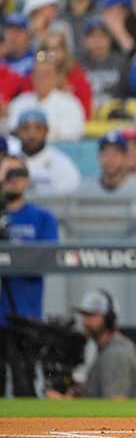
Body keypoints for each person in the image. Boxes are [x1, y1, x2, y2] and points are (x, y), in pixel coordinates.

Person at [0, 155, 59, 397]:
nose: (13, 181)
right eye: (7, 175)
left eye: (19, 174)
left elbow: (50, 258)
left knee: (26, 384)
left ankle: (31, 433)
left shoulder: (42, 218)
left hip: (25, 315)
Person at [65, 289, 136, 398]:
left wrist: (67, 405)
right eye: (84, 315)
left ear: (109, 318)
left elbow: (116, 405)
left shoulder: (116, 354)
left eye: (91, 315)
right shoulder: (107, 349)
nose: (85, 321)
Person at [7, 50, 85, 142]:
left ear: (56, 77)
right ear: (31, 77)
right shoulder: (19, 102)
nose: (41, 79)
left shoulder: (70, 103)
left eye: (46, 74)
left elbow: (73, 137)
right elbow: (11, 131)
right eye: (37, 74)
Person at [13, 109, 80, 194]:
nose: (31, 134)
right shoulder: (9, 162)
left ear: (46, 131)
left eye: (38, 128)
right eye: (25, 128)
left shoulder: (61, 163)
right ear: (17, 131)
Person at [78, 131, 136, 196]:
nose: (110, 159)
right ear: (99, 157)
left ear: (125, 158)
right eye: (105, 154)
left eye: (115, 154)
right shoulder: (86, 189)